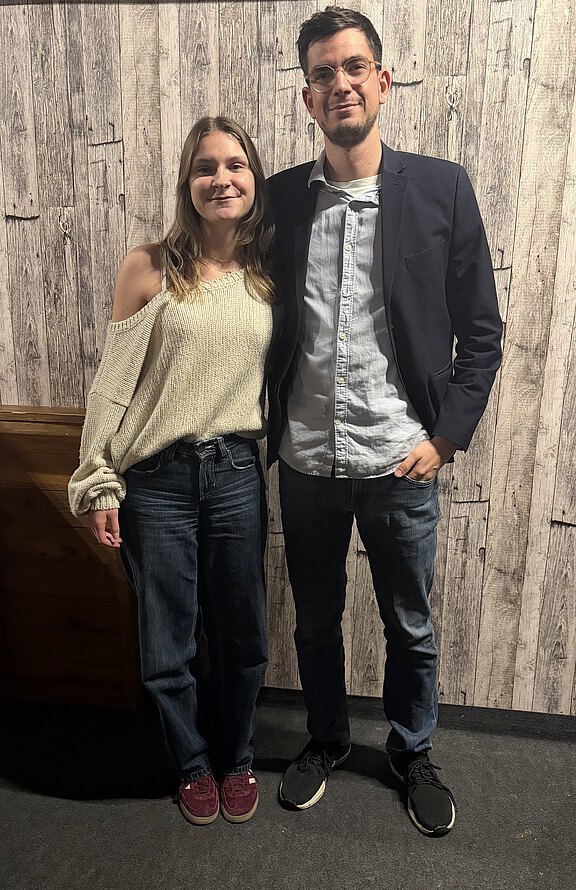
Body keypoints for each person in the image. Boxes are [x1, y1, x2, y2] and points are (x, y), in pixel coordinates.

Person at [267, 6, 502, 837]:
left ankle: (412, 751)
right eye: (323, 73)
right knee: (315, 620)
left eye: (354, 67)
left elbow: (482, 331)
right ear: (307, 96)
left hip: (401, 459)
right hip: (305, 460)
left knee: (410, 624)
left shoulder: (441, 188)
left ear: (383, 81)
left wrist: (446, 438)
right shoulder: (279, 200)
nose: (341, 84)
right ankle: (327, 738)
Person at [69, 116, 276, 826]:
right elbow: (112, 386)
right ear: (188, 184)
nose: (222, 179)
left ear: (254, 177)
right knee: (168, 642)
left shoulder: (268, 274)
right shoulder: (149, 266)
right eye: (205, 167)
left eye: (235, 165)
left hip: (236, 475)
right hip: (156, 483)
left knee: (243, 637)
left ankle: (236, 756)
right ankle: (192, 764)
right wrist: (97, 478)